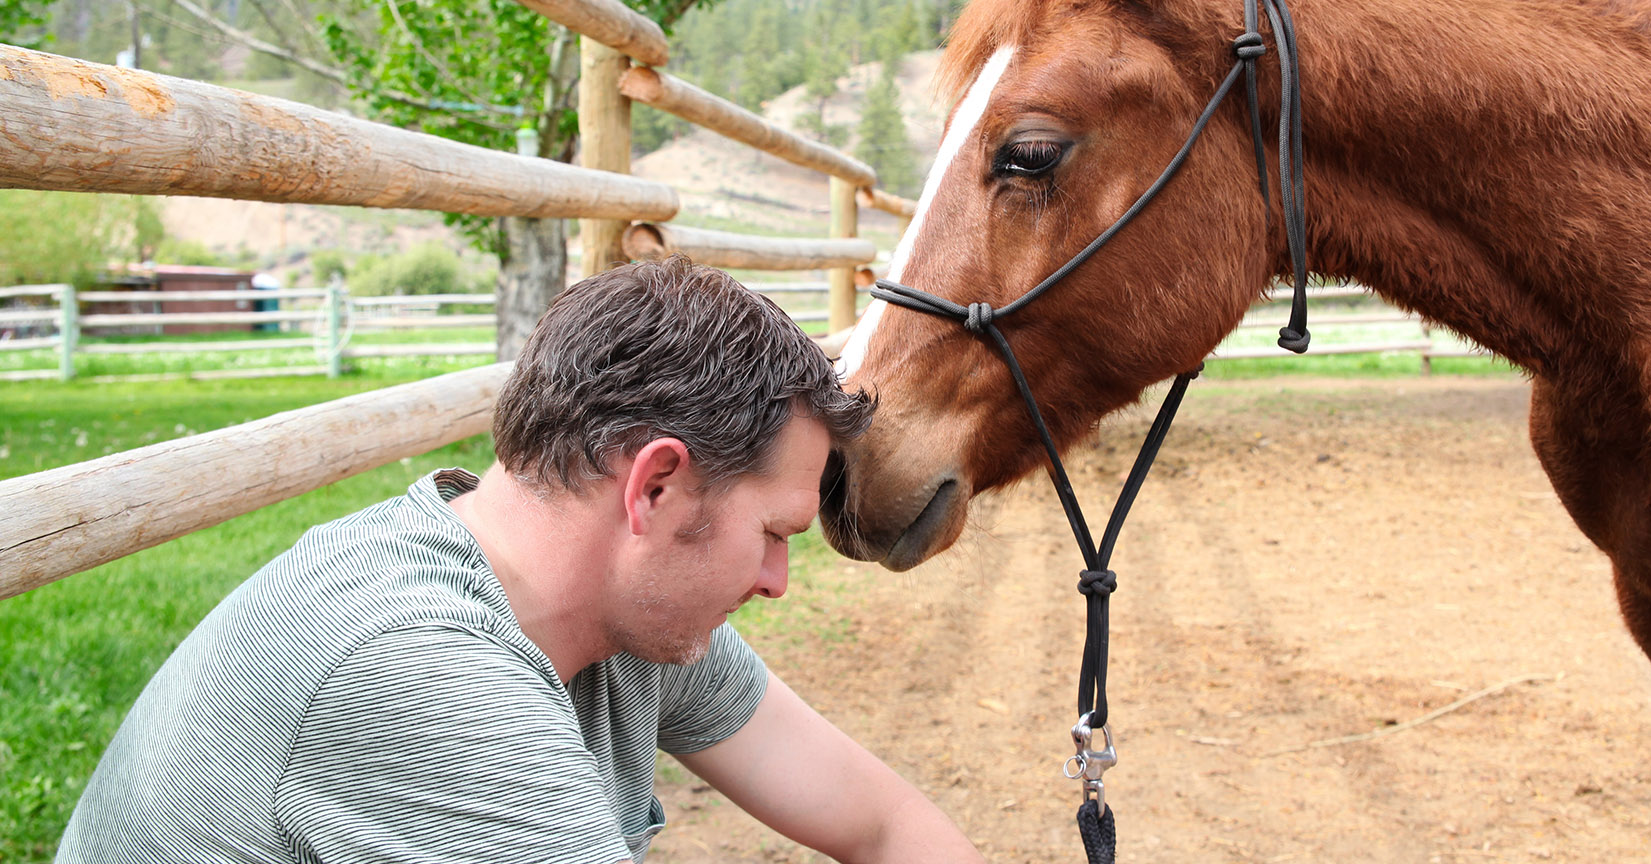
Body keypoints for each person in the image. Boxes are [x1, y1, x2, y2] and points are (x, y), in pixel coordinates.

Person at [57, 257, 985, 864]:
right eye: (775, 534)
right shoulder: (418, 670)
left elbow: (884, 824)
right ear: (655, 488)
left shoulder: (620, 612)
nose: (777, 581)